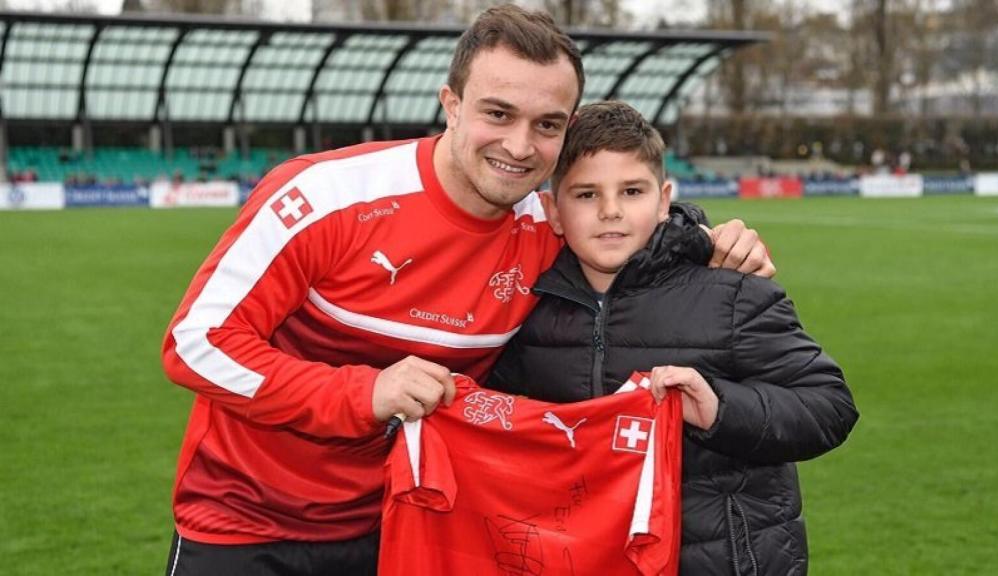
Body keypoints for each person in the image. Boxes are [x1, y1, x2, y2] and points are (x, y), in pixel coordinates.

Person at [160, 6, 773, 576]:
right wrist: (364, 392)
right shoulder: (324, 199)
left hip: (408, 517)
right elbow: (195, 343)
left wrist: (708, 240)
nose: (519, 145)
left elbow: (629, 237)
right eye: (498, 113)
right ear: (451, 104)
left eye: (547, 125)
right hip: (244, 523)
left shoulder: (545, 229)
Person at [486, 101, 859, 575]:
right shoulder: (527, 312)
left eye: (632, 191)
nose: (610, 211)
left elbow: (830, 405)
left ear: (663, 200)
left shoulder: (732, 292)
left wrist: (719, 409)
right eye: (585, 195)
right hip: (587, 557)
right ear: (552, 211)